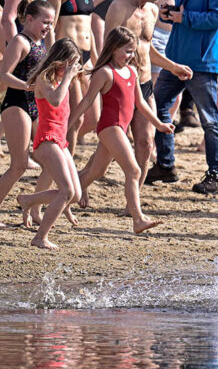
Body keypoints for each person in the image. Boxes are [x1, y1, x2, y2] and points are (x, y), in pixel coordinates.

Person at [147, 0, 218, 194]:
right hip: (178, 55)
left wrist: (185, 17)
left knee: (209, 119)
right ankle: (166, 165)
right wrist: (172, 12)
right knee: (157, 105)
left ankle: (216, 176)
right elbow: (186, 8)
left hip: (202, 60)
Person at [70, 26, 173, 234]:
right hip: (110, 127)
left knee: (97, 171)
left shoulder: (132, 71)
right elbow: (88, 100)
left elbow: (141, 104)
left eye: (133, 51)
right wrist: (71, 120)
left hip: (120, 127)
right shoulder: (105, 72)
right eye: (127, 50)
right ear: (114, 48)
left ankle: (53, 197)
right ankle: (138, 219)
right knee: (133, 170)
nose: (131, 55)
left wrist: (159, 124)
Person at [103, 0, 192, 177]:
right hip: (121, 87)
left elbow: (146, 50)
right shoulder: (119, 7)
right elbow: (108, 50)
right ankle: (82, 185)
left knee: (146, 143)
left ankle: (134, 200)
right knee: (106, 153)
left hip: (143, 84)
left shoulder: (152, 11)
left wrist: (173, 67)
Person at [0, 0, 54, 227]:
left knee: (52, 160)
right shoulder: (20, 42)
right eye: (45, 22)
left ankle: (35, 208)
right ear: (29, 19)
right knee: (19, 165)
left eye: (51, 23)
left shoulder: (40, 43)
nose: (49, 27)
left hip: (35, 105)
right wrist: (28, 86)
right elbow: (4, 76)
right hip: (16, 104)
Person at [16, 38, 84, 249]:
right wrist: (69, 77)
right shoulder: (44, 79)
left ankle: (29, 200)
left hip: (60, 141)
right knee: (66, 191)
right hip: (46, 140)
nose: (70, 69)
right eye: (69, 64)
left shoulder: (62, 80)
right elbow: (54, 100)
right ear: (59, 60)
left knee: (76, 195)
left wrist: (74, 75)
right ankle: (40, 237)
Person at [45, 0, 99, 147]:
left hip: (85, 57)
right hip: (67, 57)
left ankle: (57, 152)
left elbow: (89, 26)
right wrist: (50, 58)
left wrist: (96, 59)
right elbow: (50, 24)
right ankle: (64, 166)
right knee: (76, 119)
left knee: (92, 118)